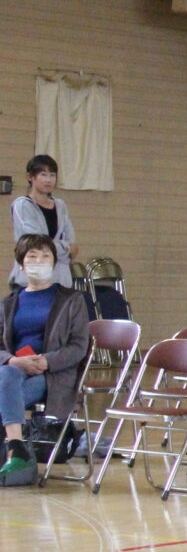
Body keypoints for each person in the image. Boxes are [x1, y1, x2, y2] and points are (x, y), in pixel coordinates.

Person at [0, 235, 90, 475]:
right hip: (15, 369)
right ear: (21, 264)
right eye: (32, 256)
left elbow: (79, 346)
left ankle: (13, 446)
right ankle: (16, 446)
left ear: (54, 263)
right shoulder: (9, 302)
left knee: (6, 390)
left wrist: (46, 360)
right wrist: (13, 359)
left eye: (45, 256)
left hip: (53, 374)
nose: (38, 260)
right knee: (7, 373)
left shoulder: (72, 300)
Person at [10, 155, 77, 289]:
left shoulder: (60, 205)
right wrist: (65, 248)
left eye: (52, 175)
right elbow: (36, 244)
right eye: (43, 174)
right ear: (30, 177)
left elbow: (73, 245)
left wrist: (64, 247)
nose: (48, 180)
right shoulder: (22, 205)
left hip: (59, 280)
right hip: (29, 281)